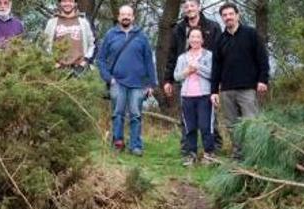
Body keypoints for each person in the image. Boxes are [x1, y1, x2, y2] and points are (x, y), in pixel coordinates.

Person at [210, 2, 270, 161]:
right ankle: (238, 155)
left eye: (231, 14)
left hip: (248, 88)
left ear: (238, 15)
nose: (228, 17)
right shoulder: (220, 40)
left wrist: (263, 80)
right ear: (222, 18)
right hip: (227, 90)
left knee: (251, 123)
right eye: (224, 15)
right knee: (232, 125)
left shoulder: (250, 34)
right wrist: (214, 91)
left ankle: (255, 155)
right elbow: (215, 67)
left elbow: (262, 58)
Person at [97, 5, 157, 155]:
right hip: (117, 82)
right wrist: (108, 78)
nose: (126, 17)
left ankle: (135, 145)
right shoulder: (111, 35)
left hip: (138, 83)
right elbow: (101, 59)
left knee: (136, 115)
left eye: (128, 15)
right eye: (123, 14)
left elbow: (149, 61)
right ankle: (118, 143)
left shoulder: (141, 36)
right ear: (118, 17)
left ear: (133, 17)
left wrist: (151, 83)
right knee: (117, 114)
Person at [163, 0, 223, 151]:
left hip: (207, 82)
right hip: (185, 80)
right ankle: (188, 149)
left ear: (199, 7)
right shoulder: (178, 29)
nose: (190, 9)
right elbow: (171, 55)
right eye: (186, 6)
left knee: (208, 119)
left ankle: (213, 148)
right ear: (184, 9)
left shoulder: (212, 26)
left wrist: (219, 79)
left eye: (192, 6)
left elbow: (220, 55)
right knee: (187, 120)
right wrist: (168, 80)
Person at [173, 28, 217, 166]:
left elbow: (213, 74)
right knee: (189, 127)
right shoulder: (182, 57)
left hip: (204, 96)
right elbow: (176, 76)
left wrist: (198, 67)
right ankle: (191, 155)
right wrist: (187, 71)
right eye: (192, 37)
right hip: (187, 96)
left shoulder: (209, 55)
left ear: (202, 39)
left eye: (198, 37)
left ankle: (209, 154)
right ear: (188, 39)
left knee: (205, 126)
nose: (195, 40)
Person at [43, 0, 95, 75]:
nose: (67, 4)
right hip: (58, 70)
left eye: (70, 1)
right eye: (64, 1)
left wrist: (84, 62)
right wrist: (53, 63)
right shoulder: (51, 23)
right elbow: (45, 44)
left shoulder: (84, 22)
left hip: (80, 70)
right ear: (60, 3)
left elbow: (91, 44)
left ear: (75, 3)